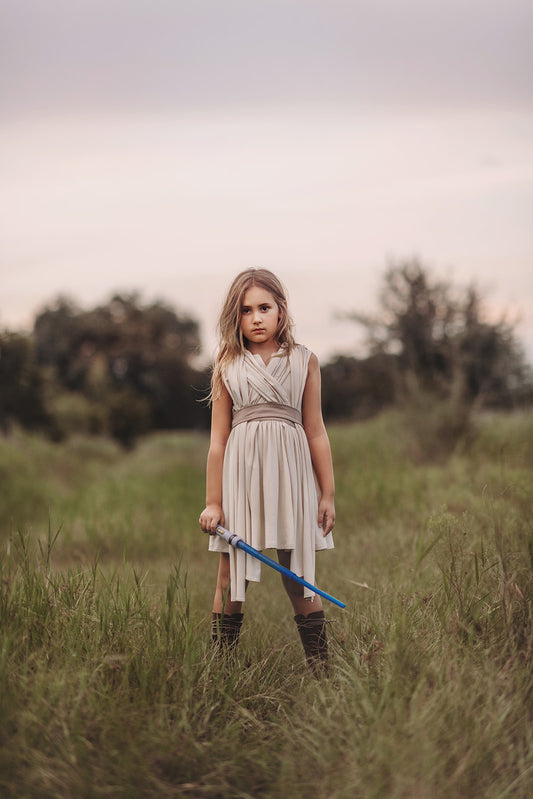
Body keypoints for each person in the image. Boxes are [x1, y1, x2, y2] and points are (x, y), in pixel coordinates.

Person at [199, 268, 335, 675]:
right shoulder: (227, 364)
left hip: (293, 477)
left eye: (264, 307)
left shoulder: (304, 361)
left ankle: (322, 670)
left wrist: (327, 493)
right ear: (235, 317)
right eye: (246, 311)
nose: (256, 318)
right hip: (243, 479)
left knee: (299, 573)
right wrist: (213, 502)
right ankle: (220, 669)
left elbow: (316, 431)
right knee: (231, 573)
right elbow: (218, 442)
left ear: (281, 311)